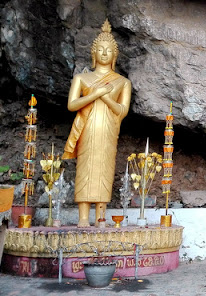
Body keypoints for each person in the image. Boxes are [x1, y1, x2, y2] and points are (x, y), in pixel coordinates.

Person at [63, 20, 132, 227]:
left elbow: (122, 111)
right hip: (87, 130)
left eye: (108, 50)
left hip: (109, 132)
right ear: (94, 53)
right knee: (85, 169)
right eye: (100, 50)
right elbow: (72, 105)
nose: (104, 53)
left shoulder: (122, 82)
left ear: (114, 55)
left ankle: (100, 217)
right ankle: (83, 218)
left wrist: (105, 96)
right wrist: (94, 94)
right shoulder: (82, 78)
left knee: (104, 169)